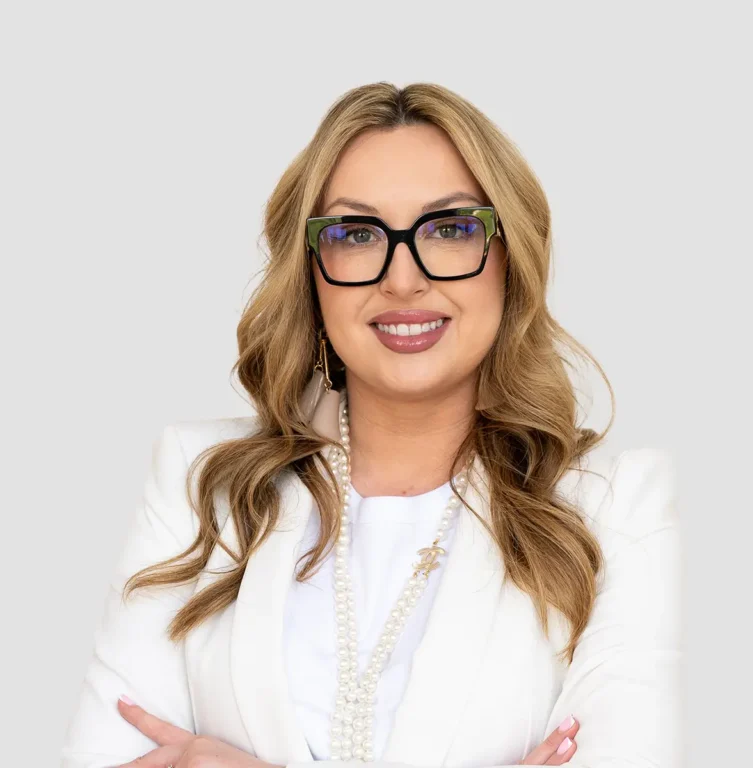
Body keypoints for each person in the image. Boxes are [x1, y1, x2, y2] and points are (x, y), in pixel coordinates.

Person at [60, 82, 682, 768]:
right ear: (311, 272)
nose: (403, 279)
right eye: (357, 235)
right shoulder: (200, 482)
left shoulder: (616, 508)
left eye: (450, 229)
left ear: (511, 258)